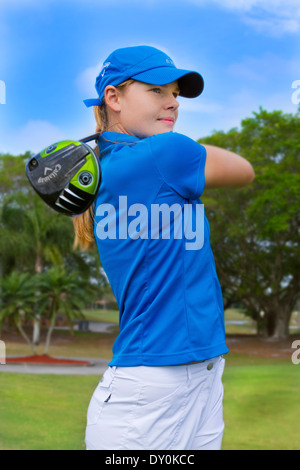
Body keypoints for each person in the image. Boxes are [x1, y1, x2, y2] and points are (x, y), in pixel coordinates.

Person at [73, 45, 255, 450]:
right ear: (114, 98)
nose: (172, 101)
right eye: (156, 90)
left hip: (193, 376)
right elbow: (244, 170)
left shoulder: (107, 165)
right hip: (152, 390)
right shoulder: (167, 152)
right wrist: (184, 149)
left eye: (175, 92)